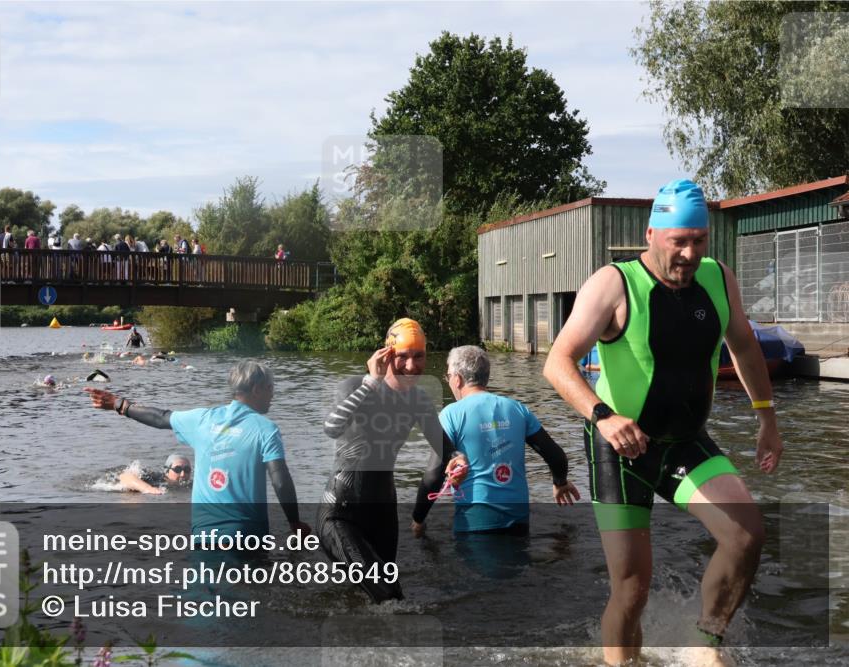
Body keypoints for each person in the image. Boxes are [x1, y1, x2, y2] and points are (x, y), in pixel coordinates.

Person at [542, 179, 781, 666]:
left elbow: (744, 347)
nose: (690, 253)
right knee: (632, 589)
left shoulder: (718, 278)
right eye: (680, 241)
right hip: (621, 449)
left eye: (699, 240)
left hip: (686, 441)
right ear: (652, 234)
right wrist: (603, 418)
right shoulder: (613, 283)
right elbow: (558, 362)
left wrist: (766, 418)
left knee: (746, 534)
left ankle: (705, 645)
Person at [317, 317, 465, 603]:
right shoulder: (353, 386)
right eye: (402, 357)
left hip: (383, 514)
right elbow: (331, 427)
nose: (411, 367)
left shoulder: (418, 401)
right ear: (386, 355)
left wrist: (458, 462)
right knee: (387, 596)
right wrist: (371, 382)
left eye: (419, 356)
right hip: (340, 514)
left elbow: (446, 448)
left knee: (387, 595)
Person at [84, 361, 311, 538]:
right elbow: (279, 479)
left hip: (204, 535)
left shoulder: (202, 419)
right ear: (256, 389)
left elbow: (160, 417)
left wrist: (121, 405)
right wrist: (294, 522)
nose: (273, 394)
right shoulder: (266, 429)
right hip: (247, 534)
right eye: (270, 388)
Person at [412, 345, 579, 539]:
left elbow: (434, 476)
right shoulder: (517, 408)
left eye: (448, 376)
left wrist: (418, 519)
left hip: (475, 523)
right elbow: (556, 456)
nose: (449, 381)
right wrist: (560, 483)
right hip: (519, 520)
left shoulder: (451, 414)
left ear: (457, 379)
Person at [116, 454, 193, 495]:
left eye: (187, 470)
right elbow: (125, 476)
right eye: (177, 469)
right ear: (166, 471)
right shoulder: (154, 477)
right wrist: (149, 489)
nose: (183, 474)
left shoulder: (192, 485)